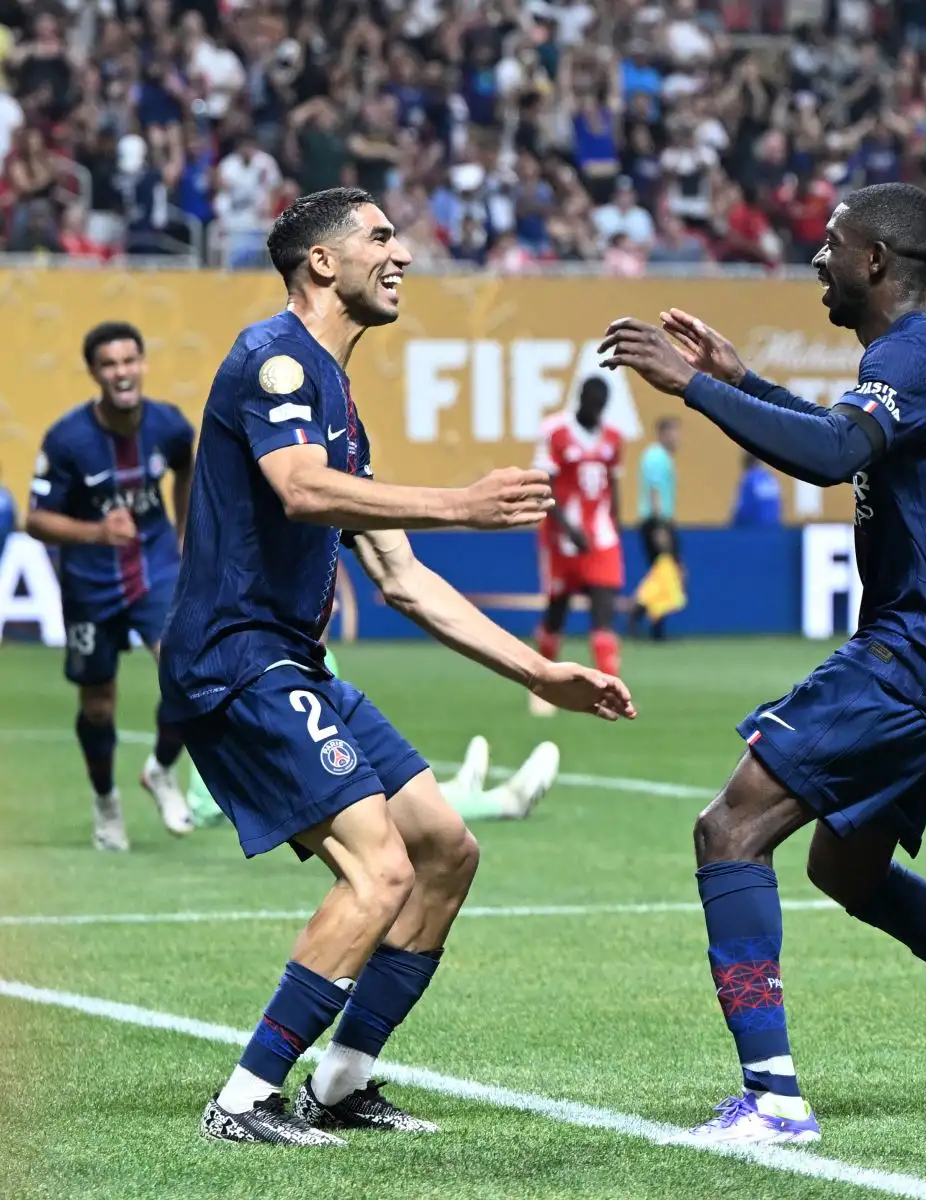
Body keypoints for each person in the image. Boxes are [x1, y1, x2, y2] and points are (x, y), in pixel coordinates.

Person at [600, 182, 926, 1147]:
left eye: (832, 244)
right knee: (847, 866)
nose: (818, 259)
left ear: (875, 260)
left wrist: (695, 388)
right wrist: (746, 382)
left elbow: (836, 454)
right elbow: (853, 437)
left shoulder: (915, 356)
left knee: (730, 829)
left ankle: (775, 1101)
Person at [158, 187, 634, 1147]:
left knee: (447, 851)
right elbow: (299, 491)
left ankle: (340, 1084)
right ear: (322, 261)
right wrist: (461, 504)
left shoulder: (338, 401)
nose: (403, 253)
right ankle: (243, 1100)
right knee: (379, 870)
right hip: (236, 660)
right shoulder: (273, 357)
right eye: (379, 237)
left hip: (295, 663)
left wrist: (538, 673)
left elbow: (402, 578)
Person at [25, 321, 197, 851]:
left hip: (156, 570)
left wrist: (186, 536)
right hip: (90, 584)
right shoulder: (68, 439)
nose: (122, 372)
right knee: (98, 705)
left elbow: (186, 470)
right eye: (109, 364)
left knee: (188, 673)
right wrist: (97, 532)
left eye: (129, 361)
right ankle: (106, 803)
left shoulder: (169, 425)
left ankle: (161, 770)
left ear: (143, 364)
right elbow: (36, 520)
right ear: (95, 373)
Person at [186, 648, 564, 827]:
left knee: (374, 788)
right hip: (241, 803)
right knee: (376, 806)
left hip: (240, 792)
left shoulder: (241, 645)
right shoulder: (293, 660)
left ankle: (456, 792)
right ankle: (502, 802)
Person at [528, 377, 626, 716]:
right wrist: (568, 529)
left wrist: (616, 526)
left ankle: (610, 691)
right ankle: (542, 687)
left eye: (601, 406)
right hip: (563, 541)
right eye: (592, 403)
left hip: (601, 539)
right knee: (557, 613)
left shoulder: (614, 437)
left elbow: (613, 485)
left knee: (604, 614)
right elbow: (545, 487)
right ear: (580, 399)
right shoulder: (554, 431)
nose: (596, 410)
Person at [631, 416, 681, 639]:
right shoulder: (656, 457)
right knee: (665, 573)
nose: (678, 438)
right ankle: (638, 610)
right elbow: (655, 492)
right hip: (656, 522)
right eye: (674, 432)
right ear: (662, 433)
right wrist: (661, 527)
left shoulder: (659, 457)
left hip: (659, 522)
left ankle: (655, 625)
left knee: (664, 575)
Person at [729, 451, 783, 527]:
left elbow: (741, 509)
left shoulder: (749, 479)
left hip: (754, 527)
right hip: (773, 526)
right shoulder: (770, 478)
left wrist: (732, 526)